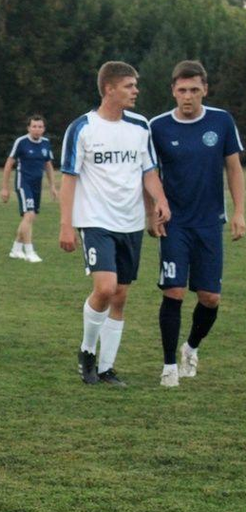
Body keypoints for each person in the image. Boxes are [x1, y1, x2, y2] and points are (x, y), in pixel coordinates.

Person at [59, 61, 171, 386]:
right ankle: (86, 352)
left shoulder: (140, 127)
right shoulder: (81, 128)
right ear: (109, 89)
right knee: (105, 288)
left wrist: (159, 203)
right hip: (95, 221)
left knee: (120, 295)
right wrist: (66, 225)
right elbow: (69, 179)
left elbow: (148, 172)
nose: (136, 91)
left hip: (131, 222)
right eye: (129, 85)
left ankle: (107, 369)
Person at [149, 60, 244, 387]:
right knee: (173, 291)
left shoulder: (221, 121)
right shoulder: (157, 127)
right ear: (173, 91)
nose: (187, 96)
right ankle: (169, 366)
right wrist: (152, 211)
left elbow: (234, 168)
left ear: (205, 89)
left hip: (209, 225)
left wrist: (239, 212)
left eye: (194, 90)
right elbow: (148, 174)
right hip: (174, 224)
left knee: (210, 298)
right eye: (181, 90)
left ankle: (191, 348)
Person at [1, 115, 58, 262]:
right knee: (29, 215)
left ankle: (16, 249)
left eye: (40, 127)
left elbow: (48, 165)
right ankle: (29, 251)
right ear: (28, 128)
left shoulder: (46, 143)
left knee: (30, 217)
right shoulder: (21, 142)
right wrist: (5, 188)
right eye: (34, 126)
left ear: (44, 129)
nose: (37, 129)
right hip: (23, 183)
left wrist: (52, 186)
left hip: (36, 185)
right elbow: (8, 164)